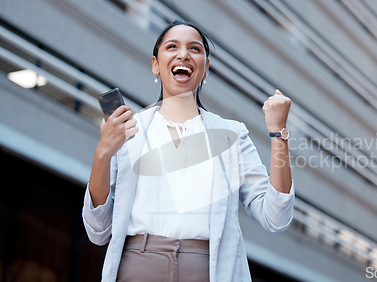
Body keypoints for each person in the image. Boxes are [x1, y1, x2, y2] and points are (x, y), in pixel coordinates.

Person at [82, 20, 294, 282]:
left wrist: (278, 133)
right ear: (155, 65)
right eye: (172, 46)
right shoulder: (128, 132)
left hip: (208, 270)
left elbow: (276, 218)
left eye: (194, 49)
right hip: (138, 267)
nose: (183, 54)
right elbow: (98, 230)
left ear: (205, 69)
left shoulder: (232, 135)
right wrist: (103, 152)